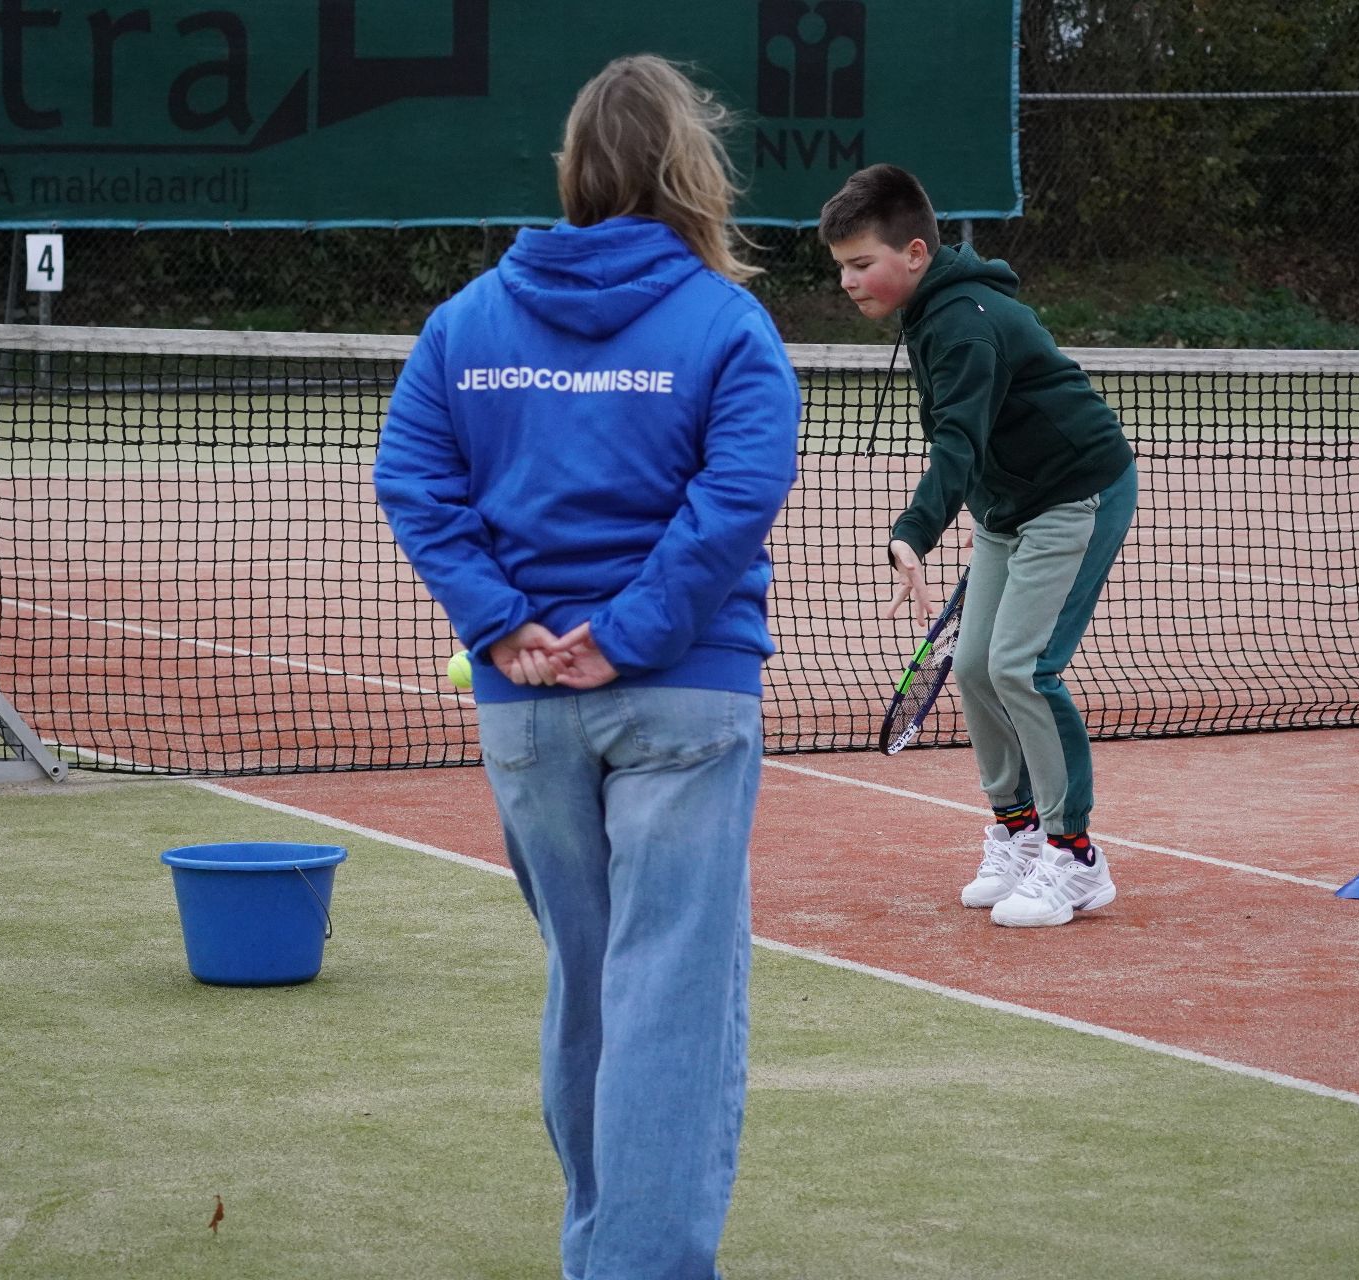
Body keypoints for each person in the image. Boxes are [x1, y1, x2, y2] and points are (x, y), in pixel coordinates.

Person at [373, 55, 800, 1280]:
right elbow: (737, 498)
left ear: (575, 170)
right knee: (669, 995)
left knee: (591, 982)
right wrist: (623, 632)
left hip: (526, 707)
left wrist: (502, 624)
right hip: (685, 694)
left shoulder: (465, 323)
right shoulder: (729, 323)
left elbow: (412, 477)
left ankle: (602, 1253)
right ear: (688, 170)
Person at [818, 163, 1137, 928]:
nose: (849, 282)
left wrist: (913, 533)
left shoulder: (963, 321)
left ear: (915, 254)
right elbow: (969, 441)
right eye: (841, 268)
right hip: (1006, 506)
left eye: (861, 264)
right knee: (971, 666)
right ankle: (1019, 831)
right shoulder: (928, 314)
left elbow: (957, 441)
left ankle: (1075, 856)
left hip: (1074, 492)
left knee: (1023, 668)